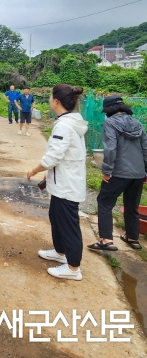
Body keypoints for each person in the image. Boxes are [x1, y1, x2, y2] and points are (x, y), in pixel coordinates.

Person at [26, 84, 87, 281]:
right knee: (56, 217)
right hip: (62, 180)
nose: (49, 100)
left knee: (68, 225)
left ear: (56, 101)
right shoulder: (69, 122)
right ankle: (60, 252)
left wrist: (35, 170)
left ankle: (73, 267)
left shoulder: (64, 125)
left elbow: (53, 157)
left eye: (51, 97)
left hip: (66, 185)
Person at [88, 95, 147, 252]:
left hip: (118, 172)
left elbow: (110, 148)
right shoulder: (137, 123)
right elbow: (145, 148)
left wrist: (107, 170)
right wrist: (145, 171)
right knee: (132, 206)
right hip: (138, 173)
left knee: (105, 202)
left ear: (108, 109)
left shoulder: (110, 122)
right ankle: (133, 238)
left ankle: (106, 240)